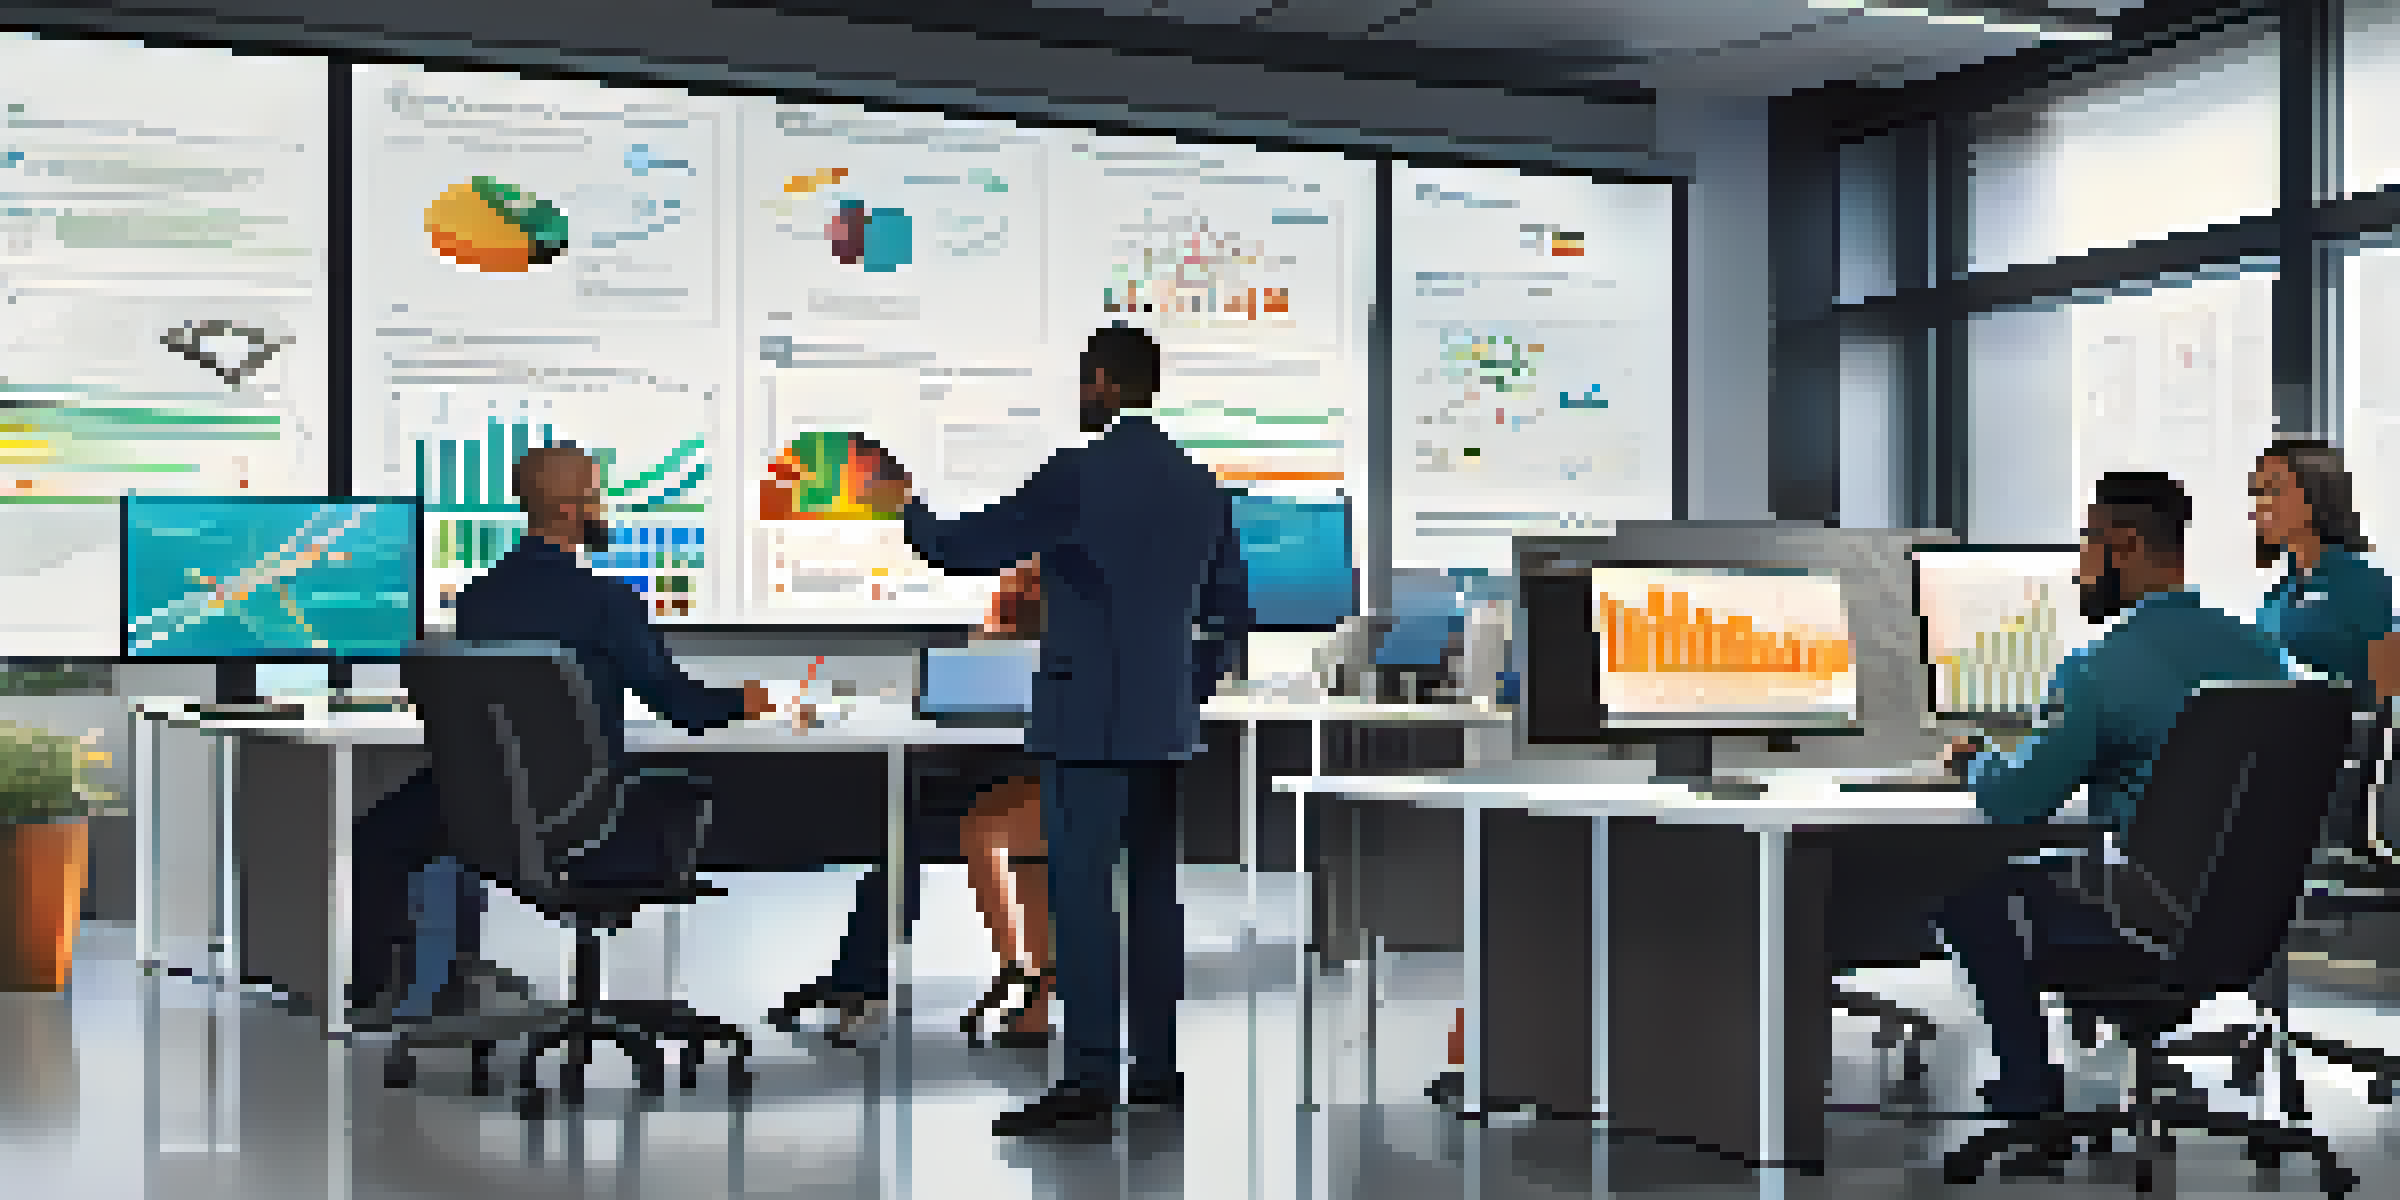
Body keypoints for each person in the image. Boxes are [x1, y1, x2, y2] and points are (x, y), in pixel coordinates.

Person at [898, 324, 1252, 1136]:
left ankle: (1090, 1078)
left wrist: (905, 508)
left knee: (1083, 898)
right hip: (1164, 727)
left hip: (1089, 723)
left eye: (1083, 381)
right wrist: (1178, 693)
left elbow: (965, 548)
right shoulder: (1202, 487)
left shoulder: (1083, 473)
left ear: (1100, 381)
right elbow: (1232, 622)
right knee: (1155, 899)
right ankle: (1156, 1072)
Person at [349, 445, 784, 1023]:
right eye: (596, 494)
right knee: (684, 791)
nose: (602, 506)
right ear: (572, 507)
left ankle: (371, 997)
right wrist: (749, 701)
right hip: (582, 813)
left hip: (483, 807)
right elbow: (683, 708)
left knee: (378, 834)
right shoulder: (606, 600)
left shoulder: (479, 597)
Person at [1933, 471, 2290, 1116]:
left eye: (2085, 547)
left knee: (1972, 896)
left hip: (2143, 923)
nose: (2078, 569)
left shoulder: (2097, 669)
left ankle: (2025, 1087)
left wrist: (1978, 760)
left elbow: (2015, 802)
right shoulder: (2269, 658)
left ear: (2122, 545)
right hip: (2250, 925)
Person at [2250, 439, 2390, 694]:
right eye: (2257, 493)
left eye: (2273, 490)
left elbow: (2384, 689)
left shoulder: (2362, 583)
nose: (2260, 505)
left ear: (2316, 492)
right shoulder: (2277, 595)